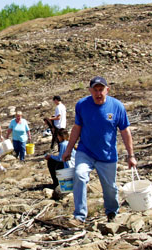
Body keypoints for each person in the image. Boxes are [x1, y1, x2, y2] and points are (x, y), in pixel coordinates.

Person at [62, 76, 137, 226]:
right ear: (90, 91)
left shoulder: (117, 106)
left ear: (107, 90)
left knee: (110, 187)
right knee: (79, 175)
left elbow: (125, 131)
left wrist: (131, 155)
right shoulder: (82, 105)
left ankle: (111, 212)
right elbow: (77, 128)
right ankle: (79, 216)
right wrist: (68, 150)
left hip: (107, 155)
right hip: (86, 152)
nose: (98, 94)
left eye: (101, 90)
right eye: (95, 90)